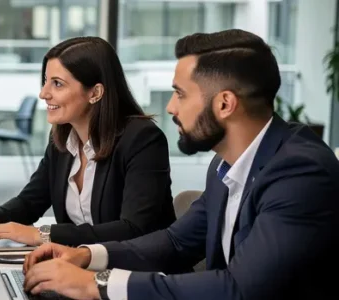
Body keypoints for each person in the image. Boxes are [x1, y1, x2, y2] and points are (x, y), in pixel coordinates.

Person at [21, 29, 339, 300]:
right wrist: (86, 255)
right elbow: (175, 242)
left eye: (180, 94)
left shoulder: (300, 172)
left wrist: (97, 285)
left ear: (225, 104)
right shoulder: (225, 165)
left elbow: (239, 289)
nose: (171, 107)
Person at [0, 36, 175, 247]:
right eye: (46, 81)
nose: (43, 93)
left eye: (57, 83)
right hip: (80, 266)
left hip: (138, 272)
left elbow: (133, 229)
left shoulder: (143, 140)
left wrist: (43, 234)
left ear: (95, 93)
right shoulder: (62, 140)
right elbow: (30, 201)